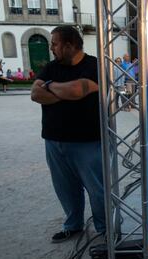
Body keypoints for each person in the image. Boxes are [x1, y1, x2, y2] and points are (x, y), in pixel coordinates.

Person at [30, 26, 106, 243]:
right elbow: (35, 93)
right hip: (54, 140)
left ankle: (104, 228)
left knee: (97, 188)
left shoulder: (94, 66)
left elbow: (78, 90)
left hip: (88, 141)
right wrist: (66, 91)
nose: (51, 48)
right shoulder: (52, 66)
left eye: (54, 44)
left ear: (69, 45)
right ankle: (73, 225)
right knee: (65, 188)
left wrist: (51, 86)